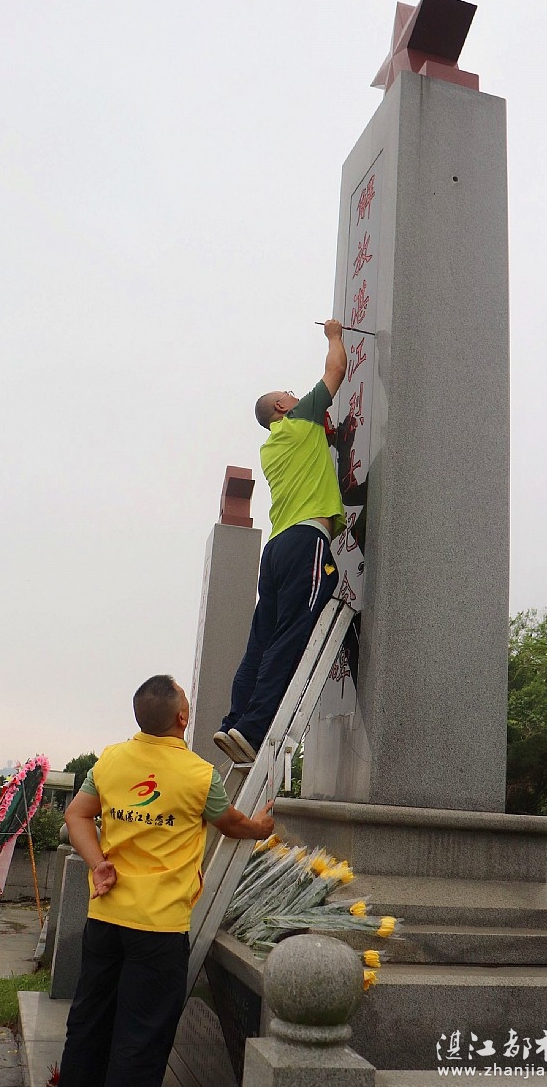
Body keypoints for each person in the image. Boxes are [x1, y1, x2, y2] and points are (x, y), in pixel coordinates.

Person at [58, 674, 274, 1087]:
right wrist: (260, 828)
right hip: (158, 928)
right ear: (182, 718)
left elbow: (76, 814)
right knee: (140, 1039)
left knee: (89, 1023)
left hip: (105, 916)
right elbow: (231, 824)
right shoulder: (200, 775)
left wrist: (98, 863)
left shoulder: (110, 760)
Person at [215, 319, 348, 763]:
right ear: (281, 407)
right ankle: (254, 729)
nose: (295, 394)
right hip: (306, 541)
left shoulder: (273, 445)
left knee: (261, 640)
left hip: (276, 549)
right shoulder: (300, 418)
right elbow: (336, 371)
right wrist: (334, 335)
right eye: (289, 393)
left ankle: (234, 722)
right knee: (291, 635)